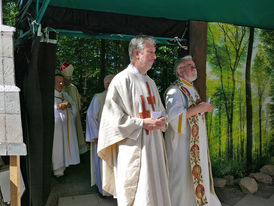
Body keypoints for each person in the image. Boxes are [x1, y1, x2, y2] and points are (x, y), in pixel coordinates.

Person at [97, 35, 171, 206]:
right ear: (137, 54)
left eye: (154, 52)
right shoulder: (121, 81)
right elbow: (112, 121)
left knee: (155, 194)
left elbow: (161, 111)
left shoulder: (150, 82)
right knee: (138, 196)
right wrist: (142, 123)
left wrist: (162, 120)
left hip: (154, 147)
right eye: (150, 52)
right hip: (134, 148)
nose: (155, 56)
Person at [165, 55, 221, 206]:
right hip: (182, 147)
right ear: (180, 71)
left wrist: (202, 110)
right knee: (182, 180)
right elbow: (173, 118)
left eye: (194, 65)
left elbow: (192, 114)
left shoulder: (191, 89)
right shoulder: (174, 91)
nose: (194, 68)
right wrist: (199, 108)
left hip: (195, 145)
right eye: (190, 66)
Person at [86, 74, 114, 195]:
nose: (111, 85)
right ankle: (103, 190)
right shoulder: (99, 98)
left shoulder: (122, 97)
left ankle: (115, 191)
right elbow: (91, 116)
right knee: (103, 164)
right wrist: (96, 136)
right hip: (102, 138)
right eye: (109, 83)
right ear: (105, 85)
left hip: (117, 138)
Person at [52, 74, 80, 177]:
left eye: (62, 82)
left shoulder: (65, 94)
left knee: (65, 147)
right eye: (58, 82)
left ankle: (64, 167)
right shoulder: (49, 95)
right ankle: (57, 170)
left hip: (66, 126)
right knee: (57, 147)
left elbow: (74, 107)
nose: (60, 84)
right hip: (56, 128)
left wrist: (69, 105)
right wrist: (58, 107)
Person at [60, 62, 88, 154]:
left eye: (69, 79)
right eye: (66, 80)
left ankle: (77, 152)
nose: (68, 81)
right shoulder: (61, 89)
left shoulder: (73, 88)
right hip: (65, 117)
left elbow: (77, 100)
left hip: (75, 117)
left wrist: (81, 100)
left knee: (76, 133)